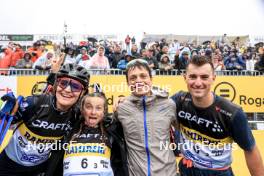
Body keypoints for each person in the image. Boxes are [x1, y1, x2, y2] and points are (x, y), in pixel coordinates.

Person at [171, 55, 264, 176]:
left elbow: (250, 149)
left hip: (218, 173)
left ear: (213, 78)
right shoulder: (179, 100)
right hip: (187, 169)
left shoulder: (232, 112)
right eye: (193, 77)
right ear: (185, 78)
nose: (198, 83)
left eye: (204, 77)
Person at [0, 62, 90, 176]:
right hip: (8, 166)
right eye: (63, 83)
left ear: (83, 93)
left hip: (40, 169)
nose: (67, 90)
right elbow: (3, 128)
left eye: (76, 86)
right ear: (56, 85)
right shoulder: (34, 103)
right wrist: (5, 114)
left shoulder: (77, 115)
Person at [114, 59, 178, 176]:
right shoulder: (121, 108)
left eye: (143, 76)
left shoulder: (169, 104)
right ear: (128, 83)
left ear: (151, 79)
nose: (138, 81)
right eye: (133, 78)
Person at [46, 91, 128, 176]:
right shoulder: (69, 127)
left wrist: (126, 102)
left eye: (98, 108)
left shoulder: (112, 130)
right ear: (82, 109)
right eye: (89, 107)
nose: (93, 112)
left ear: (104, 111)